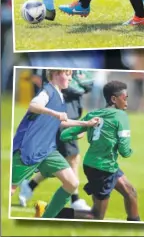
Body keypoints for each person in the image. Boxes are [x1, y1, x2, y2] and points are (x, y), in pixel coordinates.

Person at [40, 80, 139, 221]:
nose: (127, 103)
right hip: (102, 169)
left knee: (131, 192)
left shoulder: (94, 114)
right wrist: (130, 151)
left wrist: (79, 133)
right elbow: (124, 151)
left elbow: (65, 135)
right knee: (96, 216)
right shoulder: (121, 116)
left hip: (101, 165)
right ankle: (50, 212)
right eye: (125, 98)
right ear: (113, 99)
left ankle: (136, 225)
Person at [10, 69, 99, 219]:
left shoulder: (60, 97)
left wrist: (85, 124)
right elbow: (34, 105)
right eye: (68, 74)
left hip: (47, 150)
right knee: (10, 189)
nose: (71, 79)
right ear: (56, 75)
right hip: (29, 148)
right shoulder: (48, 91)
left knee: (71, 183)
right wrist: (55, 113)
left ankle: (45, 220)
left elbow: (62, 122)